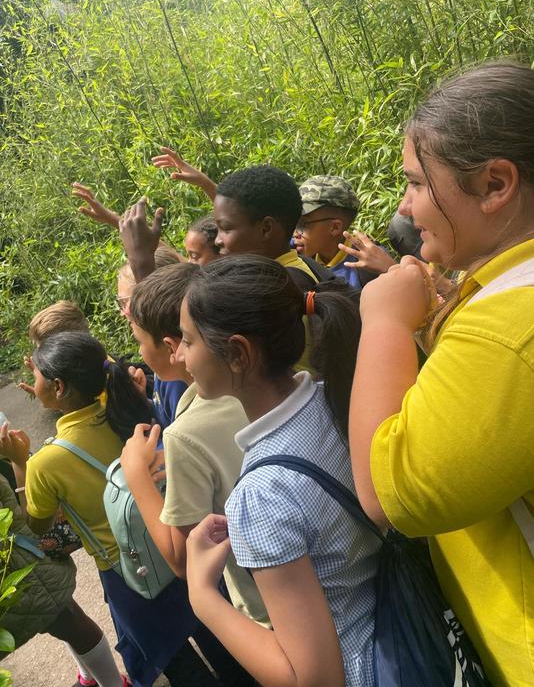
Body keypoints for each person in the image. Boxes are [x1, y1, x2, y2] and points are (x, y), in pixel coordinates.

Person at [348, 61, 534, 687]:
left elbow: (388, 494)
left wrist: (383, 321)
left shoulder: (508, 332)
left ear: (494, 184)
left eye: (416, 183)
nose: (406, 206)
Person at [180, 255, 381, 686]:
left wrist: (202, 595)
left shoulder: (261, 496)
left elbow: (314, 679)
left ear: (237, 354)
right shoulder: (343, 400)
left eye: (187, 340)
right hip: (420, 633)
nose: (179, 354)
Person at [2, 332, 198, 686]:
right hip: (174, 537)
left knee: (172, 656)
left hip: (127, 569)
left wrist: (19, 463)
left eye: (37, 375)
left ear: (59, 387)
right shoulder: (127, 408)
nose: (34, 381)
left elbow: (36, 526)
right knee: (207, 623)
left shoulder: (46, 462)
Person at [121, 262, 266, 686]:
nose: (139, 352)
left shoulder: (185, 433)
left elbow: (184, 559)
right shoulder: (264, 378)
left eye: (139, 340)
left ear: (173, 347)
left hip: (266, 608)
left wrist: (137, 477)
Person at [0, 472, 127, 687]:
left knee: (67, 620)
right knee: (65, 621)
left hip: (17, 563)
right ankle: (93, 678)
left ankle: (108, 682)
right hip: (14, 565)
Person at [213, 165, 321, 290]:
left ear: (266, 229)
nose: (217, 241)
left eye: (226, 228)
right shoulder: (286, 272)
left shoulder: (280, 289)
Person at [298, 175, 392, 288]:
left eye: (302, 225)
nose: (294, 233)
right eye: (293, 222)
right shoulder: (297, 257)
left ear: (335, 228)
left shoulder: (369, 267)